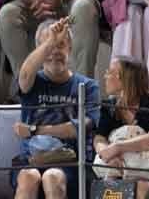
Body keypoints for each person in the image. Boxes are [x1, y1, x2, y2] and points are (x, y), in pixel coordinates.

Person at [11, 18, 101, 197]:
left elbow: (79, 128)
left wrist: (34, 130)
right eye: (48, 46)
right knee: (29, 177)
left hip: (70, 162)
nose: (54, 52)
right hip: (30, 160)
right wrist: (51, 40)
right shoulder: (33, 81)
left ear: (70, 49)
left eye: (60, 45)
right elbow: (25, 74)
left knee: (53, 177)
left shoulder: (89, 86)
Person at [94, 58, 149, 199]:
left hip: (148, 170)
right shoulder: (109, 106)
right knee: (109, 182)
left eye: (109, 72)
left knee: (142, 184)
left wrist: (118, 147)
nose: (105, 76)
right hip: (116, 169)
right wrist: (106, 153)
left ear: (124, 78)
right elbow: (100, 137)